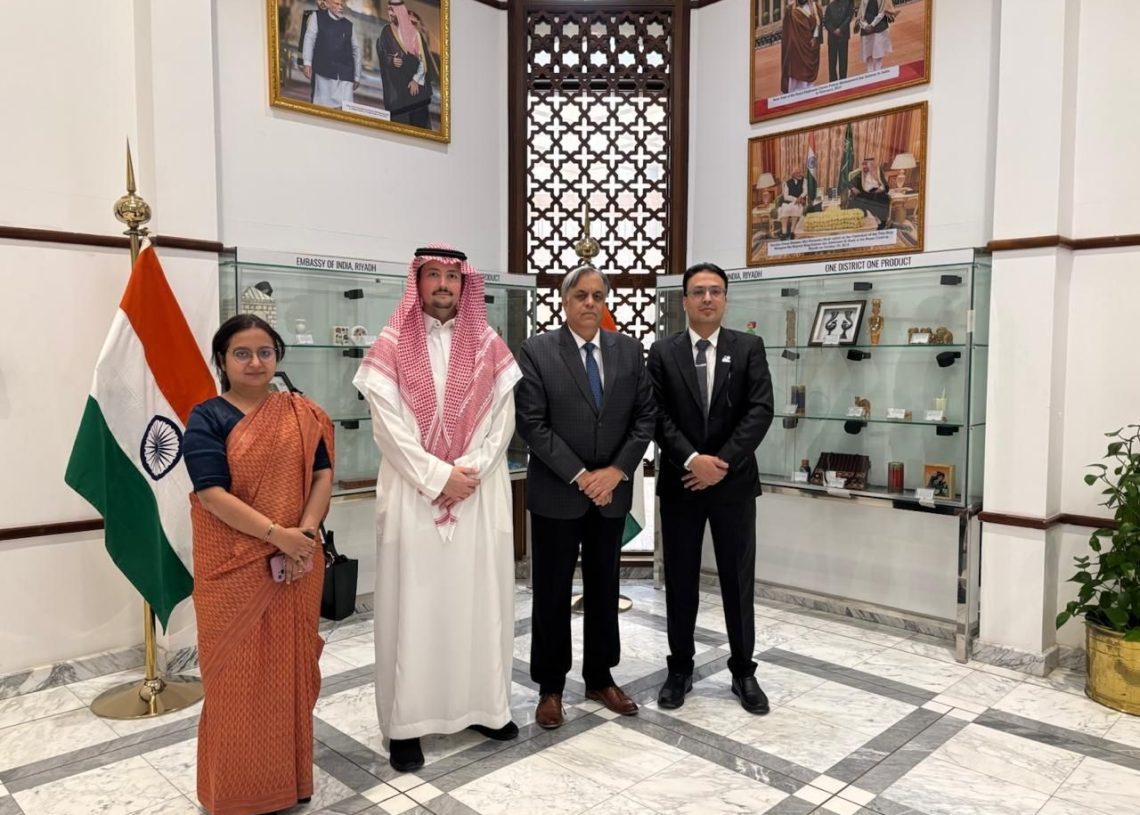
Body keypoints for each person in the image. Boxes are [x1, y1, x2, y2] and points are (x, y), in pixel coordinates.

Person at [353, 245, 522, 773]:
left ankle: (485, 708)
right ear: (418, 281)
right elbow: (387, 427)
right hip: (413, 493)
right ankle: (408, 724)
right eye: (434, 274)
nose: (444, 284)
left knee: (481, 600)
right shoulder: (390, 346)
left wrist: (467, 471)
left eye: (453, 275)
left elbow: (504, 421)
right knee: (415, 606)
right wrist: (437, 476)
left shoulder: (490, 345)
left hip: (478, 492)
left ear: (465, 284)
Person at [184, 314, 334, 815]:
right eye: (242, 353)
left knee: (291, 675)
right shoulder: (207, 417)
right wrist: (277, 536)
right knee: (235, 681)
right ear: (222, 360)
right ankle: (236, 793)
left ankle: (291, 782)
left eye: (265, 352)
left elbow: (322, 476)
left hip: (297, 565)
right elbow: (210, 493)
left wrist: (304, 536)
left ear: (277, 357)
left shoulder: (299, 412)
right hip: (233, 570)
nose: (255, 362)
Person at [515, 264, 656, 730]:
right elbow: (532, 424)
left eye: (598, 295)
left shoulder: (628, 350)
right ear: (565, 300)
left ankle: (600, 677)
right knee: (552, 591)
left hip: (611, 493)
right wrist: (581, 475)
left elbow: (645, 417)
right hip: (558, 493)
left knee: (604, 587)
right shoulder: (537, 351)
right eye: (581, 295)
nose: (590, 303)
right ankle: (550, 687)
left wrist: (614, 472)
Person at [647, 263, 774, 714]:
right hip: (682, 482)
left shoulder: (748, 347)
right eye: (698, 291)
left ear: (725, 299)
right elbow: (656, 414)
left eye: (715, 291)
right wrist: (692, 460)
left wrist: (720, 464)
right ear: (684, 300)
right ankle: (679, 669)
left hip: (732, 484)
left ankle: (743, 671)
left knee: (737, 580)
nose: (707, 298)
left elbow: (760, 410)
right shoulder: (663, 352)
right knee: (680, 580)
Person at [378, 0, 432, 128]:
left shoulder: (414, 34)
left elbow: (422, 62)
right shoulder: (387, 31)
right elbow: (382, 53)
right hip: (398, 92)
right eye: (389, 10)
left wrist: (415, 80)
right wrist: (391, 60)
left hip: (415, 90)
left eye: (393, 10)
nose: (391, 13)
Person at [302, 0, 361, 109]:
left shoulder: (349, 25)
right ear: (327, 4)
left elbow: (356, 51)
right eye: (337, 4)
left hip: (345, 75)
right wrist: (307, 63)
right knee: (322, 109)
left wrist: (357, 76)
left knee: (346, 111)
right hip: (323, 73)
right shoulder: (317, 17)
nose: (341, 7)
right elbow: (309, 39)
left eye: (342, 5)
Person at [780, 0, 822, 94]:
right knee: (795, 72)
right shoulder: (790, 10)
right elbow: (787, 33)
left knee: (808, 85)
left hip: (809, 47)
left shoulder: (815, 7)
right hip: (795, 49)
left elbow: (818, 25)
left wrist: (815, 38)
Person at [847, 155, 891, 228]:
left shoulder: (878, 173)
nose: (864, 166)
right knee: (857, 201)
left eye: (866, 164)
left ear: (871, 165)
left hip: (877, 194)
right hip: (864, 194)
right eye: (863, 164)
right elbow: (849, 183)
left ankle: (881, 222)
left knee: (884, 199)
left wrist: (880, 189)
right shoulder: (861, 174)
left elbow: (886, 187)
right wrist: (853, 188)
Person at [857, 0, 896, 73]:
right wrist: (865, 26)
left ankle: (878, 70)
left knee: (879, 50)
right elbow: (861, 15)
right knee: (868, 52)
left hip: (879, 26)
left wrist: (873, 24)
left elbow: (883, 11)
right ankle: (870, 71)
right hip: (866, 28)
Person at [823, 0, 855, 82]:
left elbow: (849, 17)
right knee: (832, 62)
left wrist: (840, 29)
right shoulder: (830, 6)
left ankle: (843, 81)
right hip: (832, 38)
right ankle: (833, 82)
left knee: (843, 61)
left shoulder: (847, 3)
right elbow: (826, 21)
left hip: (843, 37)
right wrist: (833, 30)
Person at [777, 167, 808, 240]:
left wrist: (800, 197)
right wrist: (795, 199)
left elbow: (805, 191)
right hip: (788, 202)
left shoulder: (804, 181)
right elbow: (785, 196)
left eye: (801, 172)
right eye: (798, 173)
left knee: (795, 209)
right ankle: (784, 233)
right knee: (785, 210)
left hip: (798, 202)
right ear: (793, 174)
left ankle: (792, 231)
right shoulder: (787, 183)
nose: (800, 174)